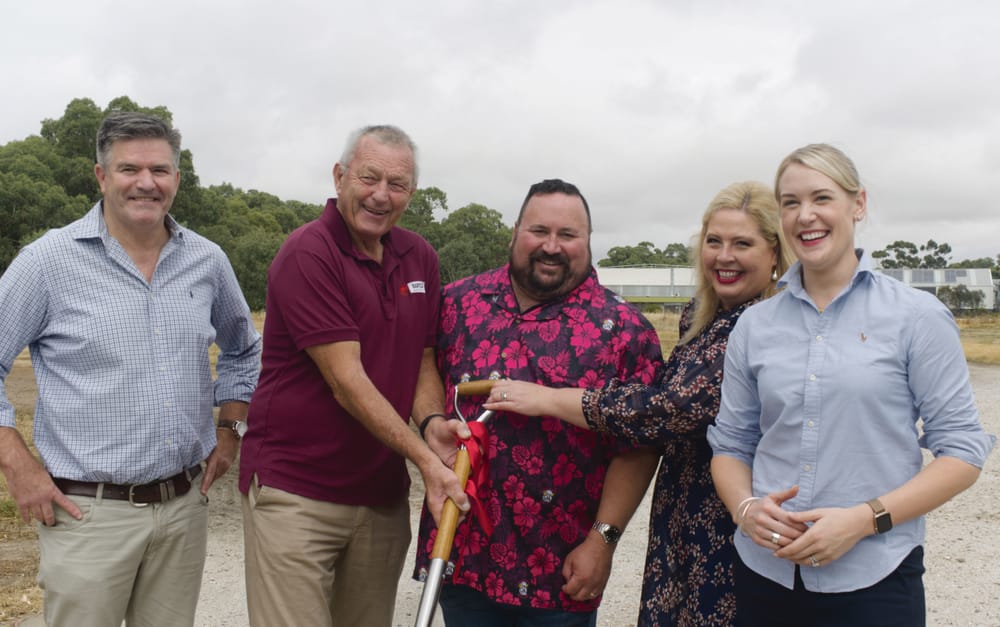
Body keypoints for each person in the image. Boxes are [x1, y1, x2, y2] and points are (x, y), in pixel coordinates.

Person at [708, 143, 995, 626]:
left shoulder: (917, 317)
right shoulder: (754, 326)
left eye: (821, 198)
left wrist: (864, 520)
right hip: (766, 575)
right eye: (791, 203)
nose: (805, 216)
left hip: (876, 579)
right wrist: (746, 507)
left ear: (857, 204)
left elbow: (963, 451)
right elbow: (732, 444)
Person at [486, 180, 793, 625]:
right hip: (685, 514)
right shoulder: (701, 317)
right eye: (714, 241)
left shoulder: (766, 326)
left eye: (742, 243)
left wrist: (550, 400)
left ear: (774, 255)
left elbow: (665, 411)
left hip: (732, 522)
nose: (724, 256)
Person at [0, 112, 261, 627]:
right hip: (86, 513)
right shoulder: (47, 262)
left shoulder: (207, 261)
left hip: (183, 507)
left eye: (160, 171)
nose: (146, 182)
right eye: (129, 169)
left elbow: (243, 350)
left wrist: (230, 431)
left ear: (177, 181)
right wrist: (18, 466)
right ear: (101, 176)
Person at [238, 124, 468, 627]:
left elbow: (423, 356)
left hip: (379, 496)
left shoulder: (419, 256)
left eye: (398, 184)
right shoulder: (309, 252)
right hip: (296, 491)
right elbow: (347, 381)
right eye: (369, 178)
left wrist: (430, 421)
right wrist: (427, 461)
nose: (381, 195)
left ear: (412, 192)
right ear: (340, 177)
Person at [415, 178, 664, 626]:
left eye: (568, 235)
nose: (552, 246)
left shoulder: (627, 331)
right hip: (463, 552)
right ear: (515, 231)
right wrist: (432, 418)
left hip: (560, 569)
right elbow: (424, 362)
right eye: (539, 231)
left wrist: (602, 541)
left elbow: (640, 447)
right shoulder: (455, 303)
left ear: (588, 241)